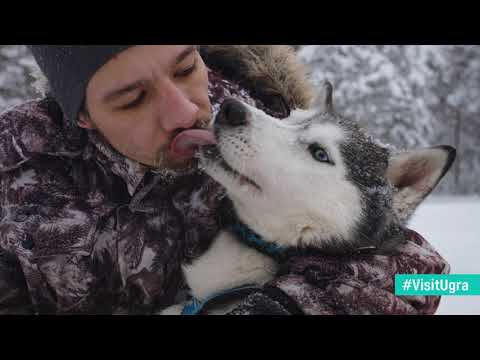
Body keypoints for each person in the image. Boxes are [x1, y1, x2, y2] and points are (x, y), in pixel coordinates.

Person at [0, 45, 449, 315]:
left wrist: (289, 306)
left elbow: (442, 278)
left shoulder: (260, 112)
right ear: (82, 115)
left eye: (186, 68)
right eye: (133, 98)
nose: (186, 112)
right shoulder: (18, 181)